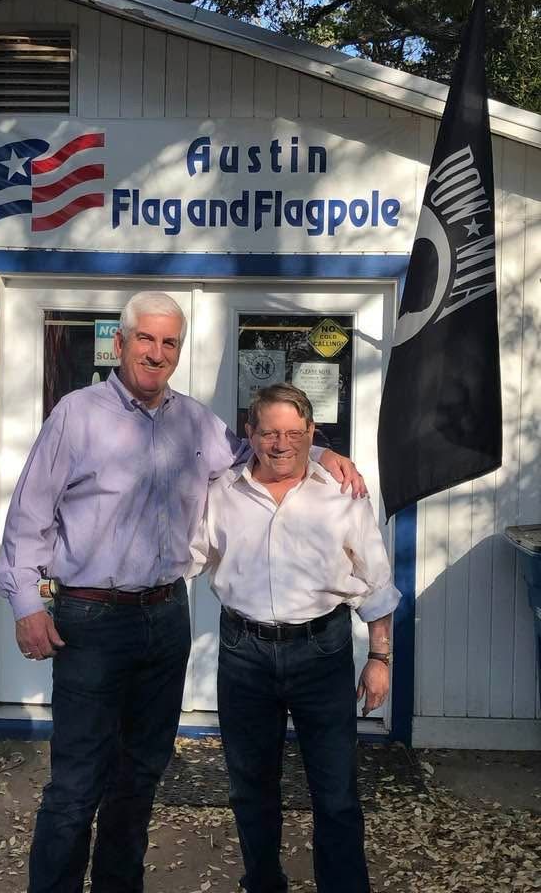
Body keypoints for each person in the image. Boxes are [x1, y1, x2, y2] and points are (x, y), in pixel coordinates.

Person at [0, 292, 366, 893]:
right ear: (120, 343)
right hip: (90, 618)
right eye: (146, 339)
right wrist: (27, 605)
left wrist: (321, 451)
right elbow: (28, 516)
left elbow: (263, 451)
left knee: (140, 777)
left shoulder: (195, 422)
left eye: (169, 343)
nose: (157, 353)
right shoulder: (76, 415)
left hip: (165, 617)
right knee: (76, 782)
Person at [191, 382, 401, 893]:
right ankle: (263, 883)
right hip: (244, 655)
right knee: (251, 788)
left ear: (312, 432)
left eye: (292, 432)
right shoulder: (222, 494)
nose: (281, 444)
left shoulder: (343, 495)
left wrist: (379, 657)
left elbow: (375, 581)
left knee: (335, 792)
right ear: (251, 434)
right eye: (269, 433)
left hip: (321, 651)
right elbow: (185, 563)